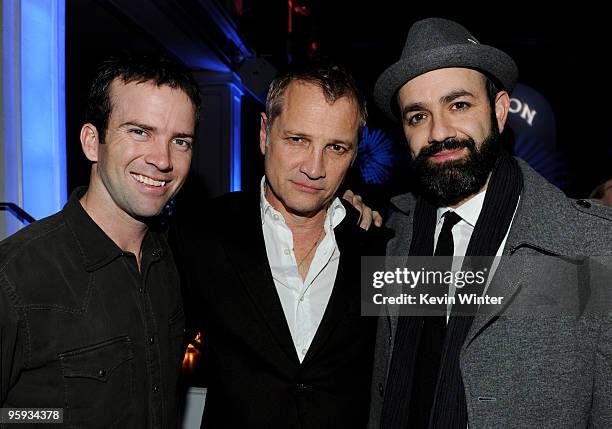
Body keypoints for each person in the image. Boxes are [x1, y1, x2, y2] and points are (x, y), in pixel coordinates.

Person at [368, 18, 612, 428]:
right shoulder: (396, 234)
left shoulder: (591, 249)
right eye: (416, 117)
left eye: (458, 105)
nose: (438, 132)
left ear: (499, 111)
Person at [175, 62, 385, 428]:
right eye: (297, 140)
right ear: (264, 133)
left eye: (336, 147)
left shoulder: (379, 246)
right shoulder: (200, 233)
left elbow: (487, 299)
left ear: (353, 155)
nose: (315, 167)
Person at [0, 54, 201, 428]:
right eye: (139, 131)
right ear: (93, 142)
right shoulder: (17, 276)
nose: (163, 159)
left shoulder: (166, 262)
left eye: (181, 141)